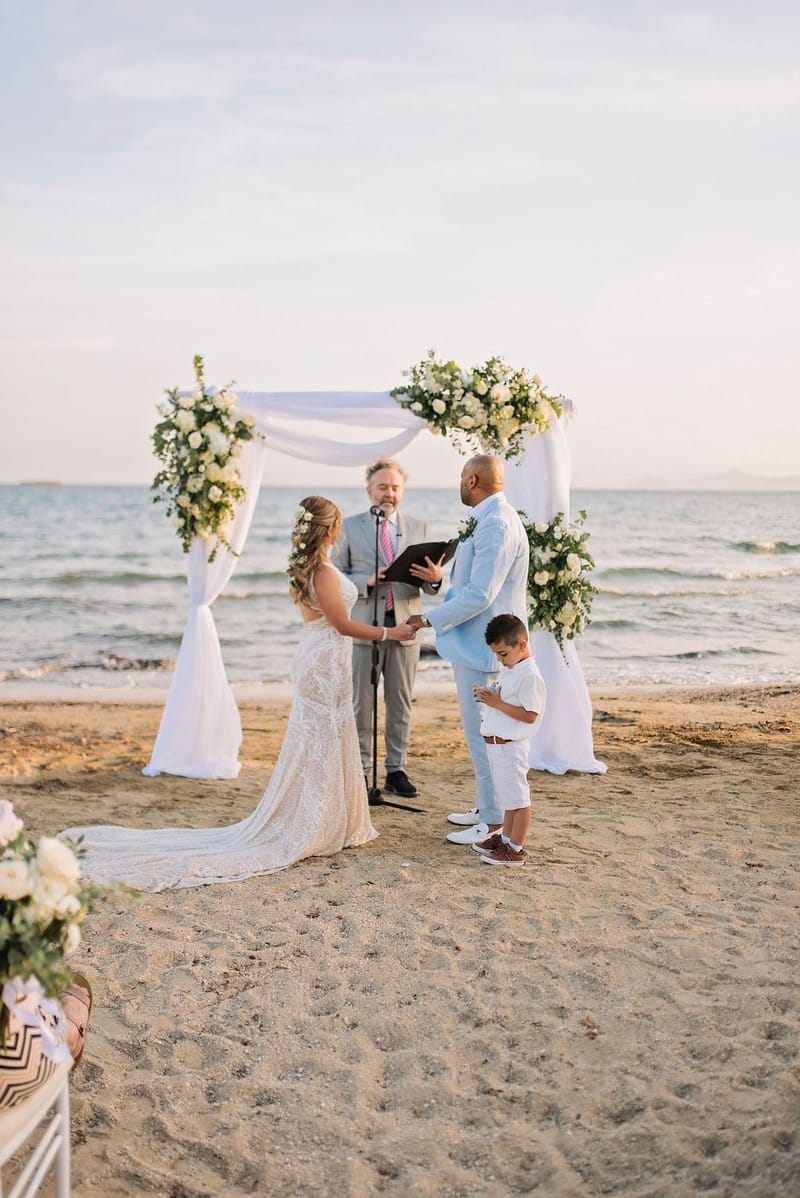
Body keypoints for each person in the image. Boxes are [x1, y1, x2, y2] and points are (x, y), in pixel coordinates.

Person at [60, 497, 417, 892]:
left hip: (321, 659)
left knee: (325, 739)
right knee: (319, 741)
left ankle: (333, 818)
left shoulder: (312, 568)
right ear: (331, 529)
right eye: (338, 524)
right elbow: (343, 625)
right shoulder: (324, 573)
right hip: (323, 663)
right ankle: (313, 824)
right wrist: (391, 633)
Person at [406, 454, 529, 845]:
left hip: (485, 647)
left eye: (462, 478)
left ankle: (493, 821)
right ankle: (486, 804)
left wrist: (426, 619)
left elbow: (481, 594)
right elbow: (469, 584)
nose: (460, 484)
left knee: (484, 733)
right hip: (475, 644)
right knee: (479, 730)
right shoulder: (491, 517)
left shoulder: (496, 523)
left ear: (472, 479)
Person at [332, 460, 442, 799]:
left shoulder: (418, 527)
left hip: (406, 627)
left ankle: (396, 769)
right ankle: (363, 771)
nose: (389, 493)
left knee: (400, 702)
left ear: (402, 491)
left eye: (395, 487)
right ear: (369, 490)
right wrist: (364, 581)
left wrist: (436, 580)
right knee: (361, 704)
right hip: (366, 627)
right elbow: (332, 576)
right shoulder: (347, 527)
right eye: (382, 487)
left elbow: (430, 583)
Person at [469, 614, 546, 866]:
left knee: (518, 800)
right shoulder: (512, 668)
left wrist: (497, 703)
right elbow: (504, 700)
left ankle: (515, 849)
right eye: (496, 654)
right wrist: (488, 696)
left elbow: (530, 715)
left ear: (521, 645)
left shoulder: (530, 675)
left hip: (511, 747)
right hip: (497, 746)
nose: (499, 659)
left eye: (502, 653)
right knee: (508, 799)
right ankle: (505, 838)